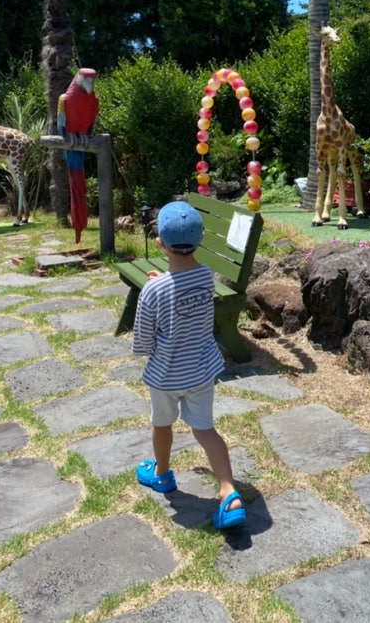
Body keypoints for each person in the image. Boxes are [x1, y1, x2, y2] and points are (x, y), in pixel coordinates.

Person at [132, 200, 246, 530]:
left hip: (166, 376)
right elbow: (185, 293)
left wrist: (155, 284)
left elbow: (143, 342)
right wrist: (162, 281)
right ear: (200, 242)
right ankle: (229, 492)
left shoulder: (153, 291)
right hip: (201, 371)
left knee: (162, 424)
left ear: (160, 245)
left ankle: (163, 475)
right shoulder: (206, 278)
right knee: (205, 430)